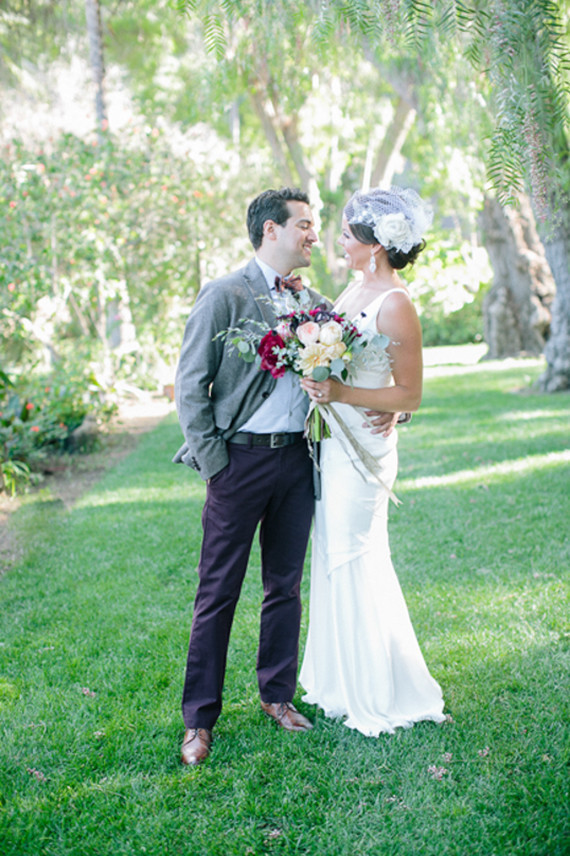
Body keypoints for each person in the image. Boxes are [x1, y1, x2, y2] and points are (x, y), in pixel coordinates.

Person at [173, 188, 397, 765]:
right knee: (217, 592)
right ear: (270, 230)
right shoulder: (224, 294)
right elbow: (190, 386)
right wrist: (216, 464)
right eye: (304, 224)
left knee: (285, 586)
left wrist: (395, 408)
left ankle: (277, 696)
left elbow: (361, 371)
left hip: (299, 462)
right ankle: (199, 720)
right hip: (238, 463)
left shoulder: (317, 304)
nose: (314, 235)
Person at [299, 186, 446, 736]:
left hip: (364, 446)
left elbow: (409, 394)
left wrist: (342, 394)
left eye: (345, 234)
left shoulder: (396, 303)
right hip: (334, 440)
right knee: (332, 549)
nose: (338, 241)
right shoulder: (355, 286)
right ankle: (340, 680)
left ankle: (378, 689)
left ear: (375, 244)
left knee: (353, 551)